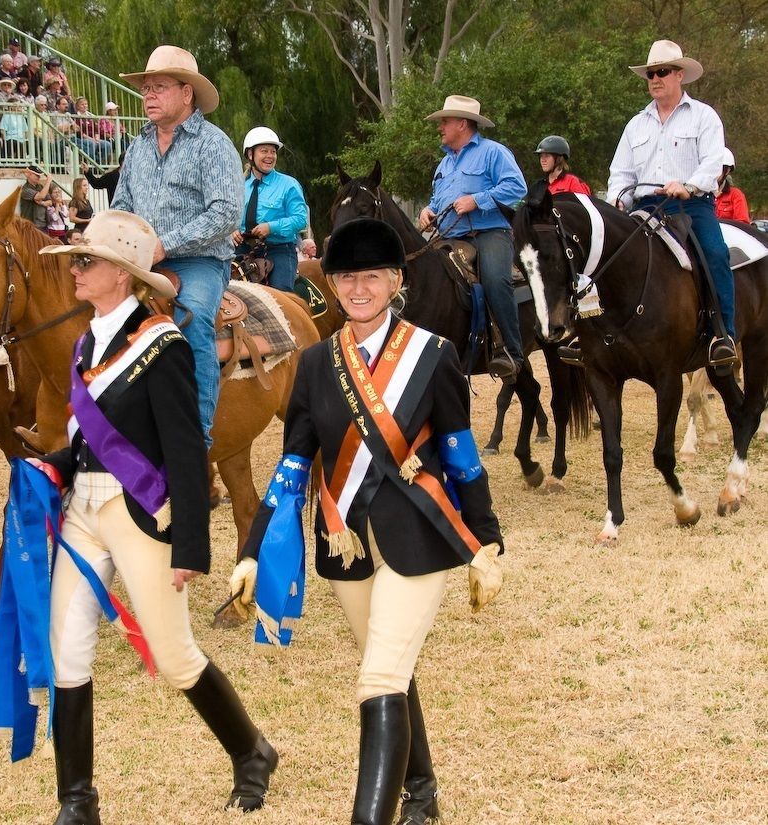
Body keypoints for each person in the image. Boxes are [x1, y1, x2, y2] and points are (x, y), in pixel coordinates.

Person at [231, 217, 504, 825]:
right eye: (347, 276)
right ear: (331, 284)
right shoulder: (315, 363)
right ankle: (423, 791)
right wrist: (252, 549)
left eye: (372, 276)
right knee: (392, 669)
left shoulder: (434, 355)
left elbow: (459, 451)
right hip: (344, 539)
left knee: (378, 673)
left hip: (421, 535)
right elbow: (293, 464)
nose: (359, 288)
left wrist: (486, 538)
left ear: (395, 280)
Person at [34, 210, 278, 821]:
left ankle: (252, 752)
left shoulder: (162, 344)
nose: (75, 270)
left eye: (86, 261)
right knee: (66, 651)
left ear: (122, 275)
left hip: (140, 513)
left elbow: (182, 446)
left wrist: (192, 545)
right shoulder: (88, 341)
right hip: (81, 513)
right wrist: (56, 463)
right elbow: (95, 437)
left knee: (174, 658)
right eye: (76, 260)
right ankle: (77, 801)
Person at [112, 45, 243, 449]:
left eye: (159, 87)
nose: (148, 95)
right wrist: (111, 239)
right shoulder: (138, 146)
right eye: (146, 88)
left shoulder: (213, 143)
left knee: (194, 318)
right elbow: (121, 204)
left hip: (200, 263)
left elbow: (226, 213)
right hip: (141, 260)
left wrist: (165, 245)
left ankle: (195, 434)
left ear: (187, 93)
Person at [608, 40, 736, 368]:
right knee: (605, 255)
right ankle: (597, 334)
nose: (654, 78)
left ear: (679, 75)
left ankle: (723, 334)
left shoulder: (704, 117)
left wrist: (688, 185)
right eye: (651, 73)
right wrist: (618, 199)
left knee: (716, 254)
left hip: (690, 206)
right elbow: (620, 172)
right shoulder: (636, 124)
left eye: (662, 72)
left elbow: (712, 164)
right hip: (644, 208)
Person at [417, 95, 527, 382]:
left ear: (462, 124)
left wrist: (477, 200)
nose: (440, 127)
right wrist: (429, 211)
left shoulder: (494, 152)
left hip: (489, 232)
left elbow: (517, 187)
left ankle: (512, 353)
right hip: (449, 236)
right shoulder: (443, 164)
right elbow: (437, 199)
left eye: (445, 121)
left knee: (495, 279)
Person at [231, 126, 308, 292]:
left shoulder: (289, 184)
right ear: (250, 154)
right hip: (242, 249)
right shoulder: (238, 186)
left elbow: (300, 219)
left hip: (278, 250)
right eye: (264, 151)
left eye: (273, 152)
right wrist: (232, 231)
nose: (270, 156)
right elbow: (228, 216)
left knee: (281, 294)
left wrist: (271, 227)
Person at [715, 148, 750, 223]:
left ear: (727, 170)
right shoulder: (699, 194)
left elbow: (742, 225)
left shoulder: (736, 195)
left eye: (717, 169)